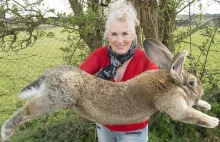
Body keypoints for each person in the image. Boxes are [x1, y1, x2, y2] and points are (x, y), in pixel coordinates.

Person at [79, 1, 158, 142]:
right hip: (104, 126)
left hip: (133, 131)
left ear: (133, 35)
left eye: (125, 33)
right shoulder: (99, 55)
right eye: (114, 34)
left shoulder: (146, 59)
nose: (119, 40)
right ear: (107, 35)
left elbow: (154, 91)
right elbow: (76, 79)